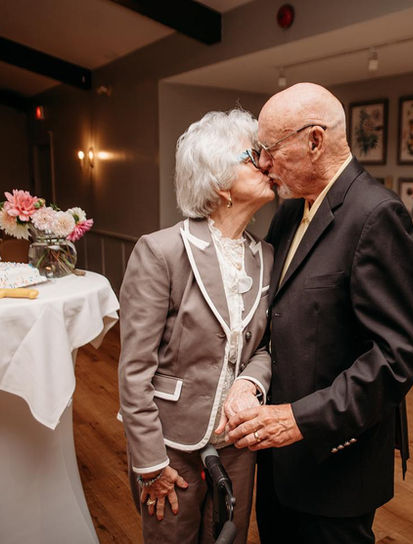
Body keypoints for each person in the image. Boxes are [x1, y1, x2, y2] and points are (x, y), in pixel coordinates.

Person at [226, 83, 413, 543]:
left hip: (336, 462)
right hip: (279, 460)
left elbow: (398, 356)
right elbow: (278, 317)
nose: (263, 163)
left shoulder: (377, 215)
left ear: (315, 141)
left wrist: (300, 420)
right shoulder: (288, 212)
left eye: (270, 149)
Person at [118, 108, 275, 544]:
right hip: (170, 444)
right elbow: (134, 369)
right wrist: (150, 464)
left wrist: (251, 384)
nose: (266, 164)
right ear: (220, 182)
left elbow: (267, 346)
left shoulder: (267, 257)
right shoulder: (161, 252)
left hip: (238, 442)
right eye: (253, 157)